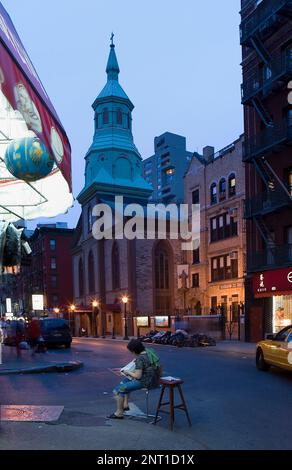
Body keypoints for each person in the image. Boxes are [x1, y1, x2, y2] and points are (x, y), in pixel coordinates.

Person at [107, 339, 161, 419]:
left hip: (144, 381)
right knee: (124, 382)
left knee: (119, 389)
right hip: (153, 379)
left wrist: (127, 372)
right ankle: (125, 404)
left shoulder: (140, 359)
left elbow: (138, 376)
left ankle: (119, 413)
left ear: (134, 351)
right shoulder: (149, 352)